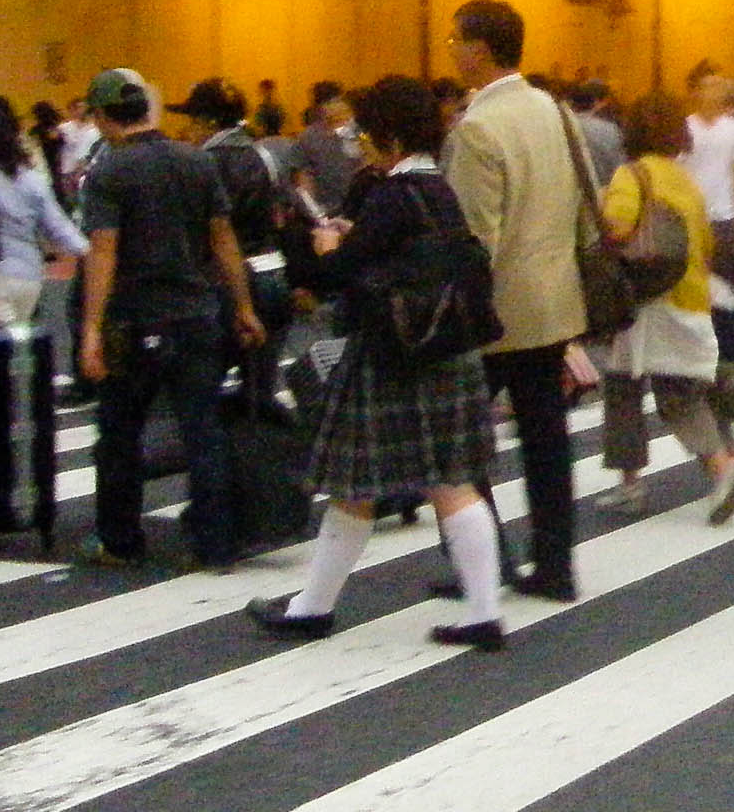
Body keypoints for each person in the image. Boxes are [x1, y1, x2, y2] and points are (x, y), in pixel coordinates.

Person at [246, 74, 508, 651]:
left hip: (394, 356)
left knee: (353, 485)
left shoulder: (392, 195)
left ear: (386, 135)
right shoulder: (436, 187)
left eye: (365, 131)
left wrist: (325, 246)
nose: (359, 140)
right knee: (452, 482)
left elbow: (335, 277)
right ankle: (484, 612)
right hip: (447, 348)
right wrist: (354, 237)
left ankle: (312, 608)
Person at [75, 66, 267, 573]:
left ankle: (120, 539)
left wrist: (91, 330)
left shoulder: (109, 171)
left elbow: (103, 252)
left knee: (119, 431)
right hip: (197, 314)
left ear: (101, 117)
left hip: (133, 320)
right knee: (203, 430)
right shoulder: (196, 162)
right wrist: (244, 307)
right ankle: (216, 543)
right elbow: (224, 241)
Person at [442, 0, 589, 603]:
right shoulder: (555, 111)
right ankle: (555, 564)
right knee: (546, 439)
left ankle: (485, 563)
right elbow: (583, 202)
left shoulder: (478, 127)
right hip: (555, 300)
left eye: (455, 39)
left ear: (478, 48)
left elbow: (475, 238)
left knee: (463, 441)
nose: (450, 49)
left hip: (496, 312)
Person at [590, 93, 734, 525]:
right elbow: (707, 245)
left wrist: (600, 219)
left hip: (646, 302)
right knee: (675, 387)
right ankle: (718, 461)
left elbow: (619, 228)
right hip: (691, 297)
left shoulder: (631, 175)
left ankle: (712, 468)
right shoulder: (685, 182)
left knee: (641, 392)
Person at [174, 78, 297, 389]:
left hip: (225, 278)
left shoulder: (202, 162)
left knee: (202, 382)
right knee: (260, 379)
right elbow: (283, 213)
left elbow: (201, 229)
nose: (190, 129)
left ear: (208, 122)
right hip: (272, 272)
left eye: (193, 120)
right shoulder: (265, 156)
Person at [0, 97, 89, 334]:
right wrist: (89, 251)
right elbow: (58, 226)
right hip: (31, 276)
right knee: (19, 342)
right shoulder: (33, 179)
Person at [683, 65, 734, 418]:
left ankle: (727, 356)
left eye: (716, 86)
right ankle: (701, 356)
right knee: (698, 291)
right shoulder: (685, 128)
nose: (712, 92)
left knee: (727, 292)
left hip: (726, 219)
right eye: (705, 87)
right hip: (693, 220)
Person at [295, 84, 360, 212]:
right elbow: (305, 176)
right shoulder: (308, 137)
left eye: (339, 101)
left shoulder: (354, 130)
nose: (337, 107)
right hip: (326, 205)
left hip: (356, 202)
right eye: (331, 102)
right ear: (320, 107)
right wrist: (314, 210)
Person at [571, 82, 627, 188]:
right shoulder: (608, 130)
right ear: (597, 102)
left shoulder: (562, 123)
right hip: (601, 192)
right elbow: (619, 169)